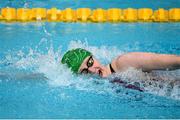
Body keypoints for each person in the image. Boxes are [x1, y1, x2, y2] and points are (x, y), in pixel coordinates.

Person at [61, 48, 180, 78]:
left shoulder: (124, 62)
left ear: (94, 56)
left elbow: (163, 60)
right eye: (85, 72)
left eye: (90, 62)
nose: (93, 70)